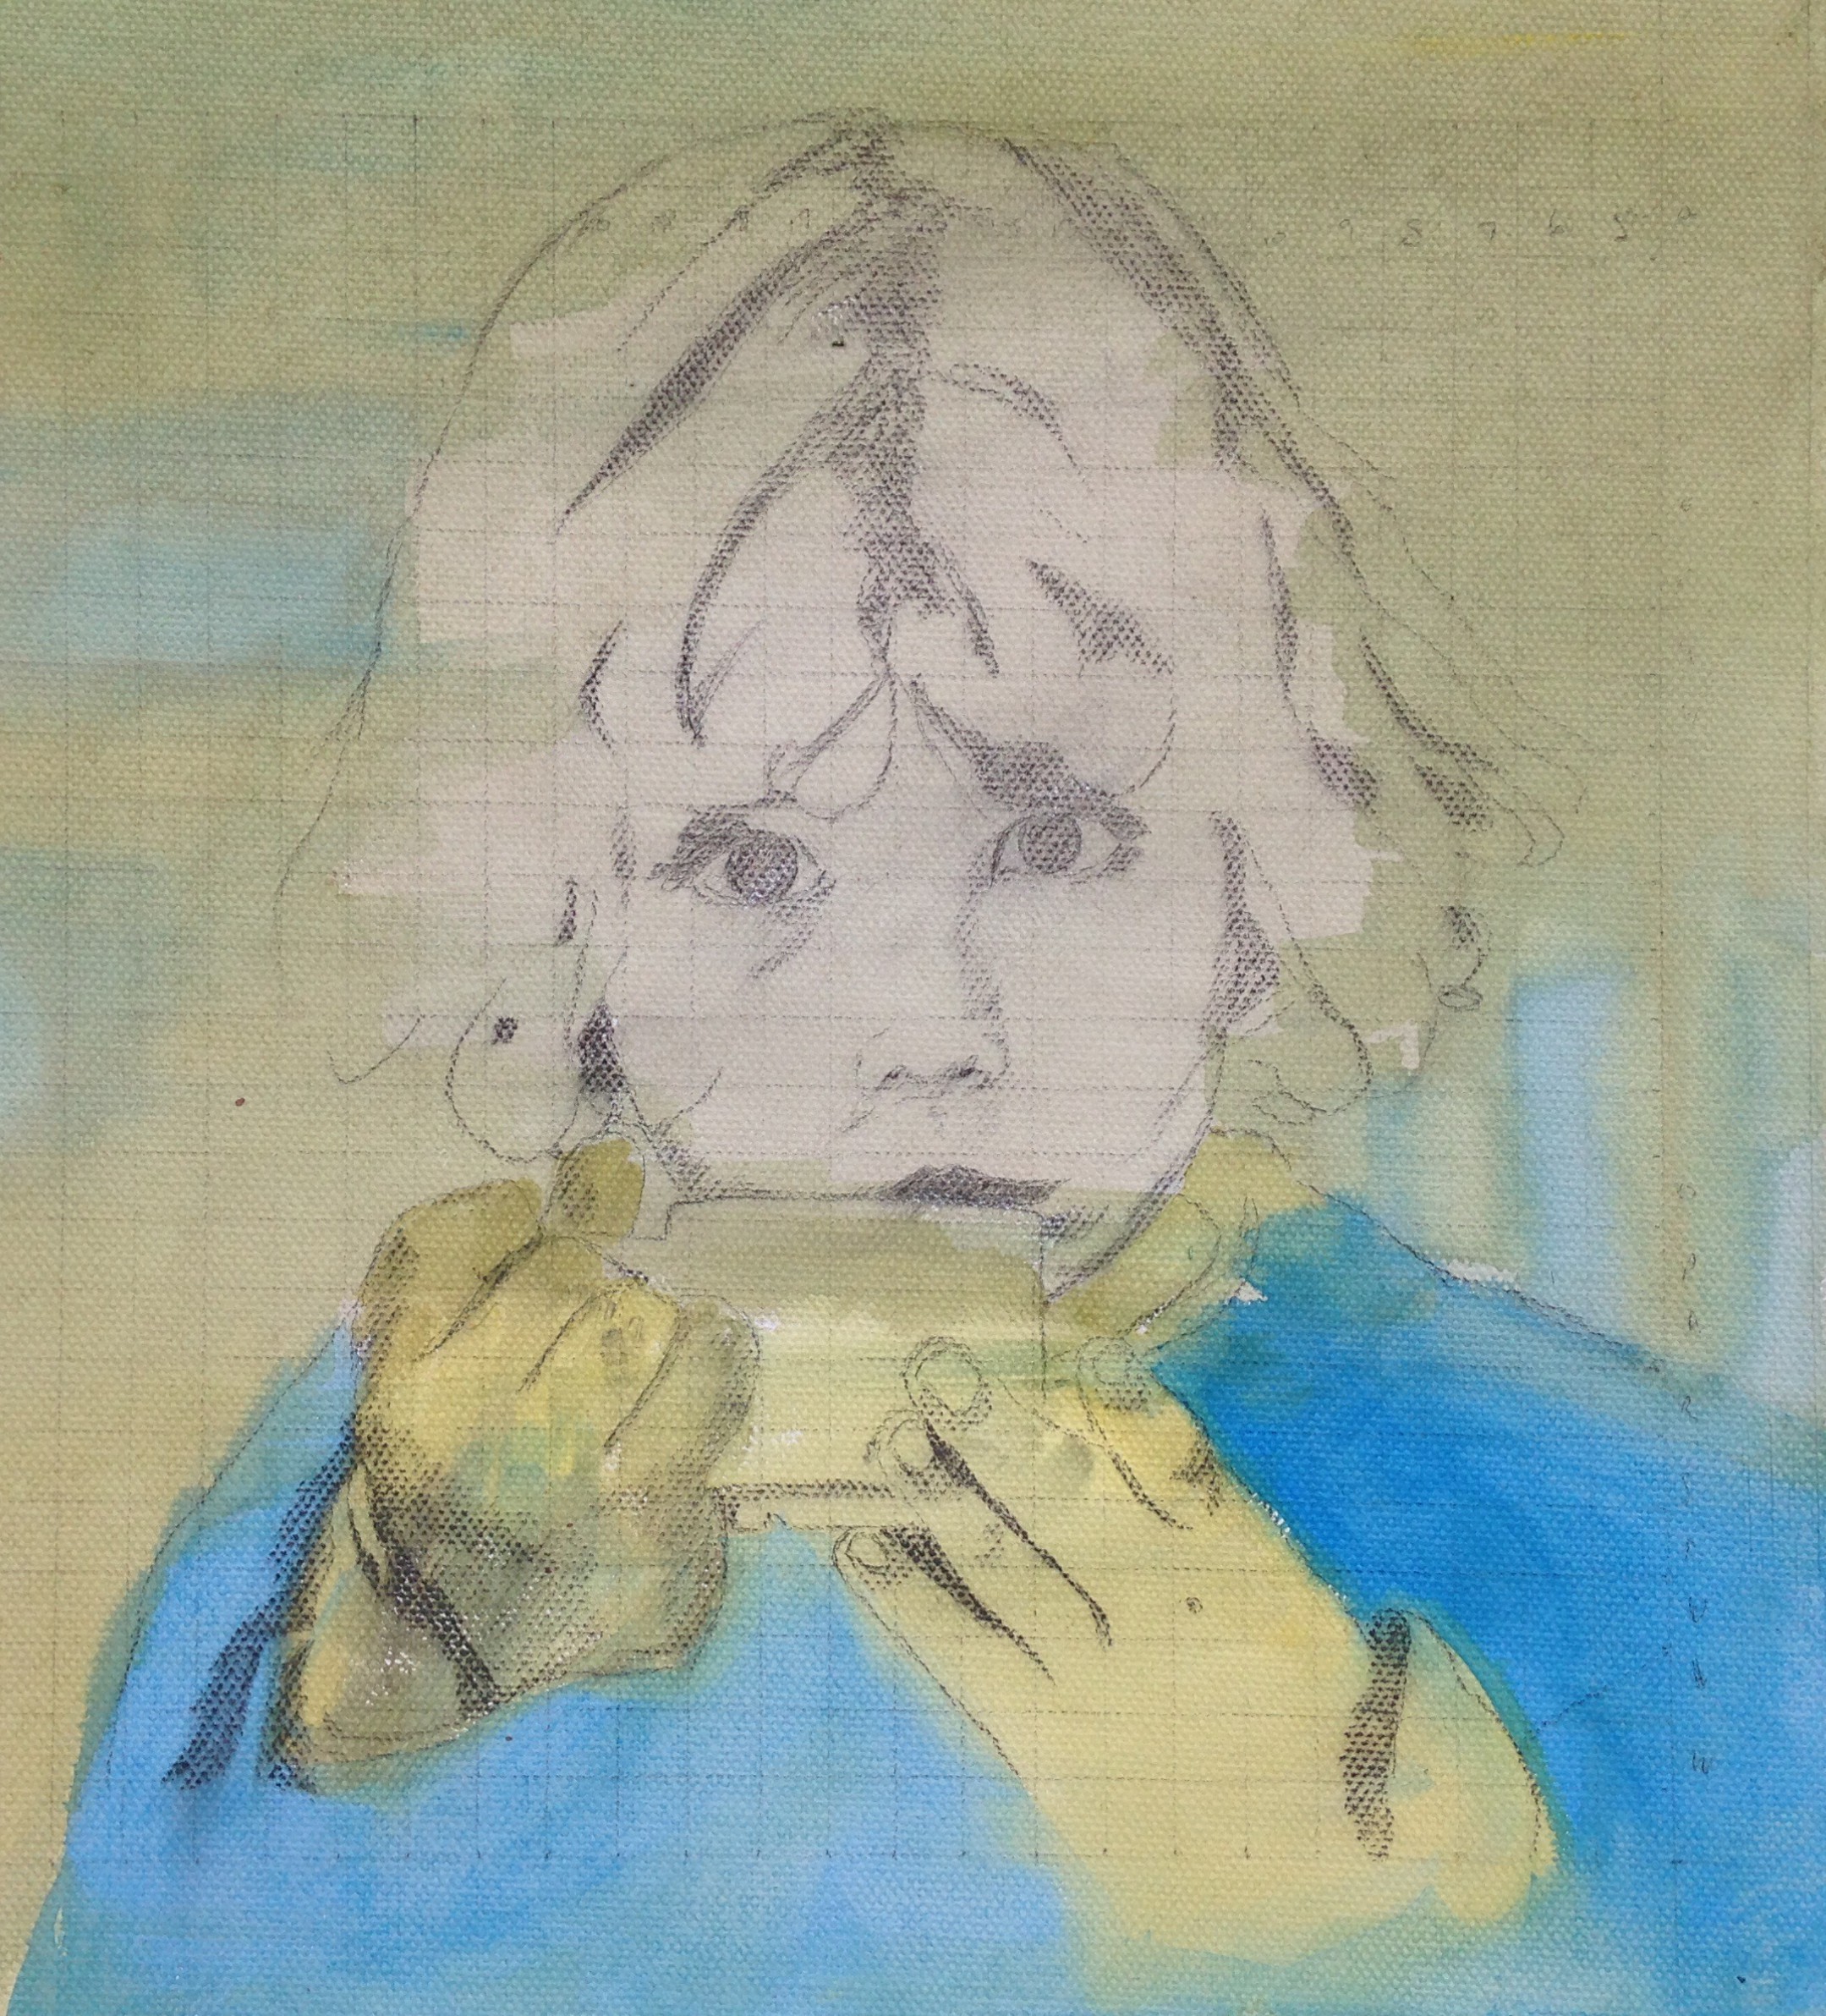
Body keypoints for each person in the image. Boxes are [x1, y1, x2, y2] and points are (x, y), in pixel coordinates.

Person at [13, 117, 1823, 2016]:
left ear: (1265, 881)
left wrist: (1388, 1919)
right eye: (751, 866)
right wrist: (411, 1703)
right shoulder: (414, 1479)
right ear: (571, 936)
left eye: (1056, 838)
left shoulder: (1645, 1534)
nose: (926, 1027)